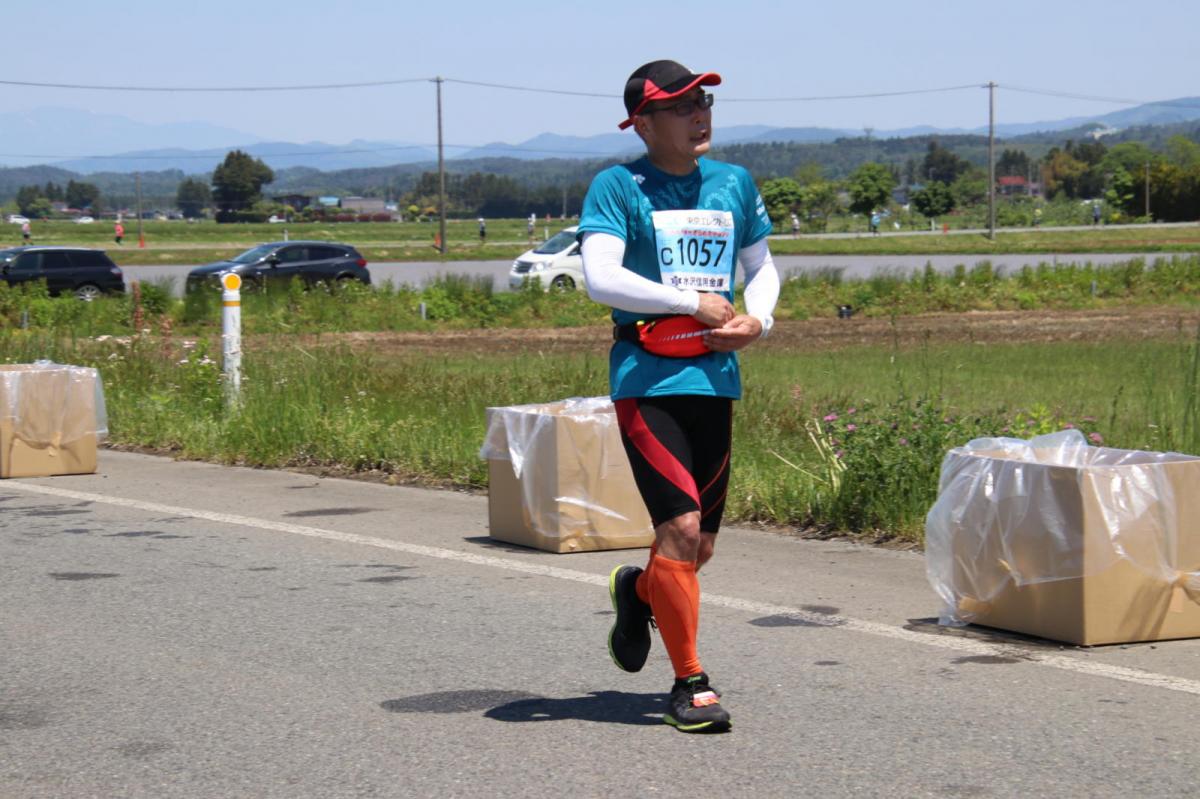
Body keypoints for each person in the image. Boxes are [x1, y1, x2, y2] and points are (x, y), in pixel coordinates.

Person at [578, 59, 779, 734]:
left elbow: (761, 266)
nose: (701, 115)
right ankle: (690, 683)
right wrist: (689, 301)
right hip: (646, 380)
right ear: (642, 122)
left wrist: (759, 319)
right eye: (683, 106)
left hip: (715, 380)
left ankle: (637, 593)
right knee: (681, 529)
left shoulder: (733, 183)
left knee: (698, 549)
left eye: (704, 102)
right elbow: (601, 276)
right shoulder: (617, 185)